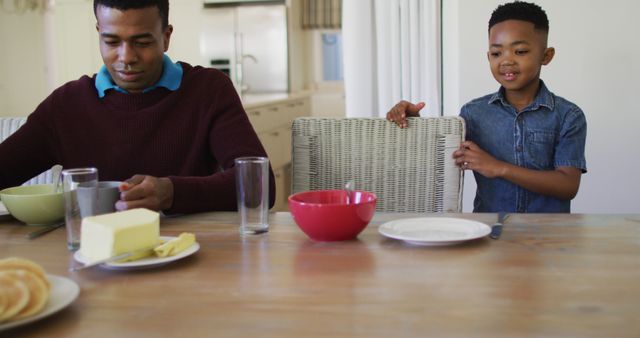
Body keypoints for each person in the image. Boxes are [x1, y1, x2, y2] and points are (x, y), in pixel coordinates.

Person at [0, 0, 275, 214]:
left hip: (190, 256)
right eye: (111, 41)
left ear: (166, 37)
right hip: (92, 263)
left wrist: (171, 192)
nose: (126, 57)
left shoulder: (208, 90)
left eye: (142, 42)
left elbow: (261, 186)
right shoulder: (66, 105)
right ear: (98, 33)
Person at [386, 1, 587, 213]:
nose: (507, 61)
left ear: (546, 56)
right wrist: (414, 123)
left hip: (549, 237)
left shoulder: (568, 116)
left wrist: (498, 167)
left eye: (520, 51)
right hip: (489, 232)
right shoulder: (473, 113)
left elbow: (568, 185)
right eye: (497, 53)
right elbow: (439, 158)